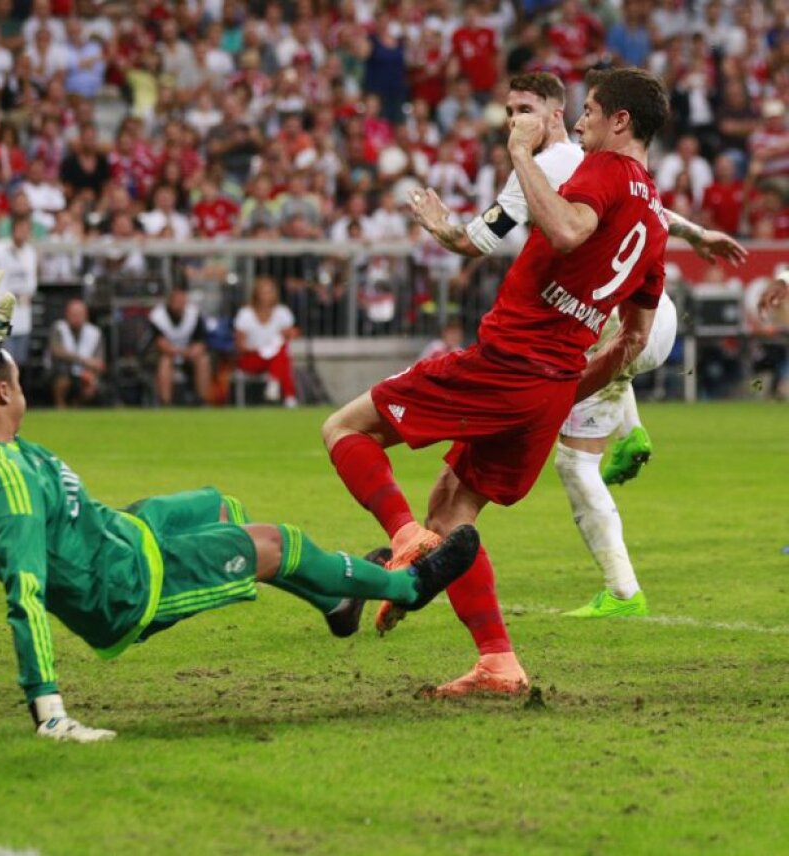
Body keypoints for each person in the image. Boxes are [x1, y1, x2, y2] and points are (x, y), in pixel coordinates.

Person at [0, 275, 481, 740]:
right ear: (4, 391)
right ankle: (409, 586)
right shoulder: (8, 488)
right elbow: (26, 594)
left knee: (220, 507)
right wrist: (49, 711)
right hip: (123, 583)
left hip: (122, 531)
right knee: (275, 544)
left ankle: (337, 604)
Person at [322, 68, 675, 697]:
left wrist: (519, 151)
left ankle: (403, 544)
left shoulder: (599, 169)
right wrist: (565, 392)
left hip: (506, 360)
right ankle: (498, 662)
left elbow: (567, 231)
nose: (582, 121)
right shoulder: (656, 217)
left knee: (344, 428)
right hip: (551, 384)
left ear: (620, 121)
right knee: (452, 507)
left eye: (590, 109)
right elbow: (633, 342)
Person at [408, 72, 746, 619]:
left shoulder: (545, 168)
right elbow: (649, 211)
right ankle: (629, 426)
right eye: (510, 108)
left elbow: (478, 241)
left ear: (556, 113)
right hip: (646, 320)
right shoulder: (616, 168)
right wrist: (697, 234)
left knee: (572, 457)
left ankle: (622, 592)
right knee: (586, 340)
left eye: (526, 108)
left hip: (615, 327)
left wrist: (439, 226)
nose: (515, 118)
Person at [233, 277, 299, 407]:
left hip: (274, 359)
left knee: (281, 352)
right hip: (252, 357)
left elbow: (290, 335)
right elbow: (239, 346)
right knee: (281, 358)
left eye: (270, 292)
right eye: (264, 292)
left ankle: (275, 384)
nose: (267, 296)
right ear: (256, 294)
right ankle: (288, 396)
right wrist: (260, 349)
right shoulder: (245, 314)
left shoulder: (282, 312)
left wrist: (286, 336)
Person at [0, 218, 38, 363]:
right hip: (3, 311)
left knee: (20, 360)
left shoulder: (30, 252)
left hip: (23, 310)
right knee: (5, 359)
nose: (24, 233)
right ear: (13, 230)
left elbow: (32, 279)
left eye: (27, 229)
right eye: (21, 229)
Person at [149, 287, 212, 407]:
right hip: (167, 353)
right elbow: (161, 344)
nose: (179, 302)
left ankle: (202, 401)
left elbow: (200, 343)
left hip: (188, 354)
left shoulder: (194, 314)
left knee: (203, 360)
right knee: (165, 361)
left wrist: (191, 351)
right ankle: (166, 403)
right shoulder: (157, 316)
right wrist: (178, 352)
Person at [48, 298, 105, 408]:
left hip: (84, 373)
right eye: (74, 314)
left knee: (91, 382)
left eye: (80, 314)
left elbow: (99, 362)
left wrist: (91, 372)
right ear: (67, 315)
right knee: (62, 378)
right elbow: (57, 352)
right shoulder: (59, 328)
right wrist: (84, 361)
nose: (77, 318)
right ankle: (60, 407)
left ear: (86, 316)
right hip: (61, 370)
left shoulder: (94, 333)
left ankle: (77, 406)